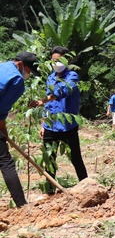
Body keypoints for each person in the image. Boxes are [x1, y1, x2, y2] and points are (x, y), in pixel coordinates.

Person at [31, 46, 88, 194]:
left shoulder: (72, 76)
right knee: (49, 159)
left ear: (66, 60)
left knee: (75, 157)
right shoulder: (50, 78)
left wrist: (43, 100)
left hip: (68, 125)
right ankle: (49, 190)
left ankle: (86, 186)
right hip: (51, 125)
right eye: (53, 60)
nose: (56, 63)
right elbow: (49, 105)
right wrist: (43, 124)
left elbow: (62, 92)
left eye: (59, 60)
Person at [0, 52, 38, 207]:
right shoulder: (16, 80)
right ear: (21, 64)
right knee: (5, 162)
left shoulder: (2, 66)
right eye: (29, 71)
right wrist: (4, 133)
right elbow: (1, 111)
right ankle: (22, 205)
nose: (28, 75)